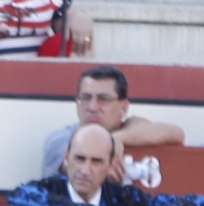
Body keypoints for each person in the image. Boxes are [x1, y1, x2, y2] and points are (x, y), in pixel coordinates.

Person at [11, 124, 204, 206]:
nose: (85, 170)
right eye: (80, 158)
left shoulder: (121, 196)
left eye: (96, 161)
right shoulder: (50, 188)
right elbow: (19, 195)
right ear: (66, 157)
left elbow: (201, 204)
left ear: (111, 165)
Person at [41, 66, 185, 181]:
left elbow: (176, 133)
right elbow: (75, 169)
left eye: (103, 99)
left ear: (124, 107)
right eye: (85, 98)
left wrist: (118, 138)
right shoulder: (60, 139)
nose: (92, 107)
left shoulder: (129, 128)